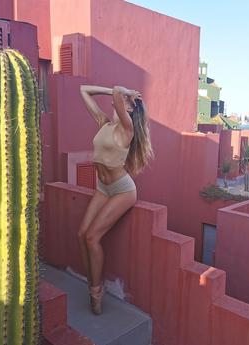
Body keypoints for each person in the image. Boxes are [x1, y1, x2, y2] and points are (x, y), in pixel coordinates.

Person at [78, 84, 153, 314]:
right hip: (102, 187)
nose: (122, 101)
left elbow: (118, 91)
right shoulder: (104, 124)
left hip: (122, 190)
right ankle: (92, 282)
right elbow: (83, 90)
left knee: (92, 238)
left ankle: (96, 291)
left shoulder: (127, 129)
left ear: (130, 110)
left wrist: (126, 94)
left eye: (128, 102)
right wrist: (117, 93)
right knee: (81, 234)